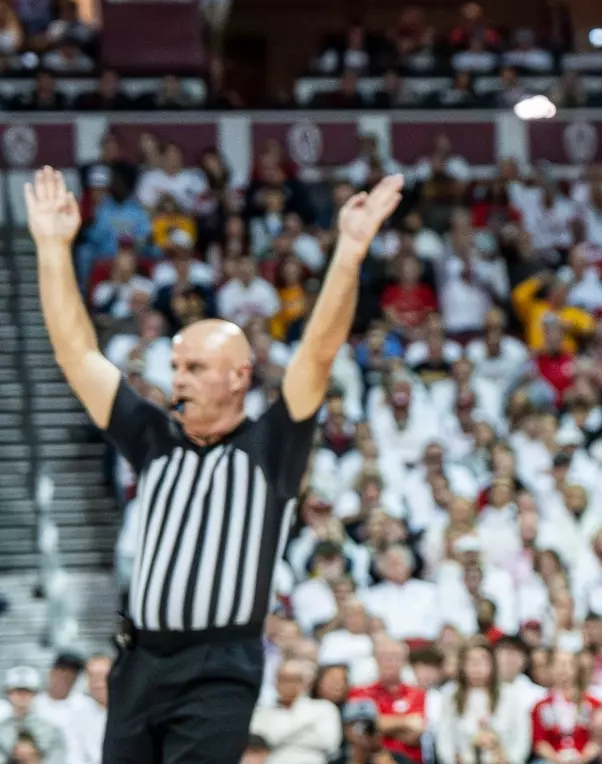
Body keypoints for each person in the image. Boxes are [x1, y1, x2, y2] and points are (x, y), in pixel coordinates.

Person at [23, 166, 405, 764]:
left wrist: (350, 252)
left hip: (218, 668)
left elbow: (320, 350)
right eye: (176, 369)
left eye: (195, 369)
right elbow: (78, 354)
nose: (179, 381)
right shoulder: (152, 437)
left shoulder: (271, 446)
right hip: (138, 661)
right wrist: (51, 249)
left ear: (239, 375)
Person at [250, 658, 342, 764]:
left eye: (295, 679)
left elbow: (329, 744)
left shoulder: (324, 708)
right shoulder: (262, 713)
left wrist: (277, 739)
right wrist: (306, 729)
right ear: (275, 682)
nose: (289, 684)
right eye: (283, 679)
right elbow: (258, 745)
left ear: (305, 682)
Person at [0, 669, 66, 764]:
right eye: (17, 691)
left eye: (27, 691)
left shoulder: (51, 730)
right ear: (8, 693)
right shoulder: (1, 729)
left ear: (35, 693)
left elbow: (58, 759)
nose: (22, 695)